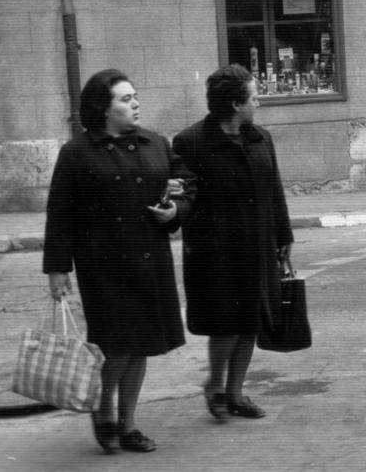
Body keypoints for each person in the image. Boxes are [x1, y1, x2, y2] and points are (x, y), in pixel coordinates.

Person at [43, 69, 192, 453]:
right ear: (103, 109)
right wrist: (58, 270)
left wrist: (175, 208)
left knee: (141, 345)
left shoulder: (156, 143)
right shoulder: (76, 153)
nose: (135, 103)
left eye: (135, 96)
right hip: (103, 266)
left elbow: (188, 183)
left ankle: (129, 423)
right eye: (125, 99)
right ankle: (102, 408)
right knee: (117, 346)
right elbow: (60, 214)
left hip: (150, 260)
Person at [173, 65, 294, 423]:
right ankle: (214, 384)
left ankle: (236, 392)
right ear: (236, 104)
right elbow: (186, 194)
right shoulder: (190, 142)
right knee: (225, 323)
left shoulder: (260, 138)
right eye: (254, 97)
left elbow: (275, 190)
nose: (259, 103)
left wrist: (284, 235)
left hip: (258, 244)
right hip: (216, 251)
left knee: (251, 321)